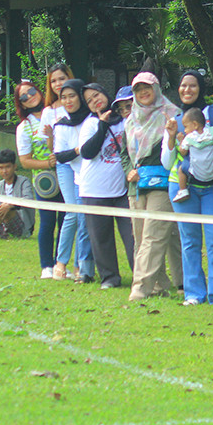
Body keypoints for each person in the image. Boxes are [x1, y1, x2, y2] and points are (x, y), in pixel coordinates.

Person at [162, 70, 213, 307]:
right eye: (183, 85)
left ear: (201, 88)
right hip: (183, 188)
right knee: (189, 241)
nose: (187, 90)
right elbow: (167, 161)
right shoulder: (174, 117)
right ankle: (193, 293)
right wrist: (172, 137)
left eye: (192, 85)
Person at [123, 73, 183, 301]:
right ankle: (158, 284)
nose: (143, 93)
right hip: (138, 186)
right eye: (138, 89)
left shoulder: (172, 114)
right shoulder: (131, 120)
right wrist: (129, 169)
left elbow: (179, 147)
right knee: (140, 238)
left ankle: (140, 288)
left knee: (153, 236)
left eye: (147, 88)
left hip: (164, 182)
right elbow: (124, 152)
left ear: (157, 88)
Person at [79, 83, 135, 290]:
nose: (95, 100)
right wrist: (102, 126)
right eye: (90, 100)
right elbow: (87, 152)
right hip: (94, 189)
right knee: (101, 238)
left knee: (133, 235)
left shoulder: (126, 120)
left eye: (97, 95)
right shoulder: (90, 124)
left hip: (123, 188)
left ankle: (141, 275)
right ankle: (109, 277)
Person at [14, 79, 64, 279]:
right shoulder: (24, 127)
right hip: (44, 182)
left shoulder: (56, 112)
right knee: (47, 222)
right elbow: (25, 161)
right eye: (23, 97)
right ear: (22, 104)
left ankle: (62, 262)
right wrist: (48, 164)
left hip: (68, 175)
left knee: (67, 220)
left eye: (31, 91)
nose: (29, 96)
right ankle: (46, 265)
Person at [49, 79, 96, 283]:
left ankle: (81, 265)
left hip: (88, 170)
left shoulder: (92, 120)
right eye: (64, 97)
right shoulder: (61, 125)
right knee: (72, 212)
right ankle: (60, 262)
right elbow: (60, 156)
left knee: (85, 217)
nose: (68, 101)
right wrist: (79, 149)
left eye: (72, 96)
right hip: (67, 168)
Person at [174, 107, 213, 203]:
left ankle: (182, 190)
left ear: (194, 125)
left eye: (186, 126)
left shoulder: (189, 138)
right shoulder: (211, 132)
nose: (185, 130)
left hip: (197, 174)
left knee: (180, 169)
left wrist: (180, 141)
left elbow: (183, 152)